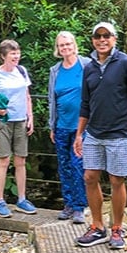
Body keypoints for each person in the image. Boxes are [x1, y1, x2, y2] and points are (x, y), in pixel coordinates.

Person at [73, 22, 127, 249]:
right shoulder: (89, 67)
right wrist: (79, 134)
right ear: (92, 40)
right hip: (94, 132)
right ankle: (97, 227)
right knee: (90, 177)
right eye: (97, 36)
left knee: (116, 180)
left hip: (119, 132)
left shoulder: (126, 63)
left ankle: (116, 229)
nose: (102, 40)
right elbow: (85, 104)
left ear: (114, 38)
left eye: (106, 36)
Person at [0, 39, 37, 218]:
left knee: (20, 161)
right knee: (4, 161)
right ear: (3, 56)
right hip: (2, 122)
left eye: (18, 53)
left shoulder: (22, 71)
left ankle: (21, 199)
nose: (16, 56)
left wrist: (31, 117)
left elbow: (27, 96)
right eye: (13, 54)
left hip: (21, 120)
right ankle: (0, 201)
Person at [48, 31, 90, 224]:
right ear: (58, 48)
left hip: (82, 127)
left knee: (77, 165)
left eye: (68, 44)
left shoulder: (86, 65)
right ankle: (69, 204)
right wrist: (52, 126)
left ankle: (80, 207)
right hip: (61, 126)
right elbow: (51, 100)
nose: (65, 48)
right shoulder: (55, 71)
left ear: (74, 45)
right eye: (62, 45)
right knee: (64, 166)